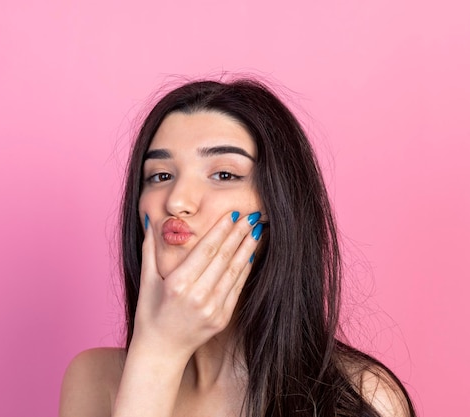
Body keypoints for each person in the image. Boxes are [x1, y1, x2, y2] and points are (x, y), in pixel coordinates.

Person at [59, 78, 416, 417]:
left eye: (224, 175)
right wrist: (156, 358)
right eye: (160, 175)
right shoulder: (96, 379)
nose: (177, 201)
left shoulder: (359, 397)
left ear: (278, 206)